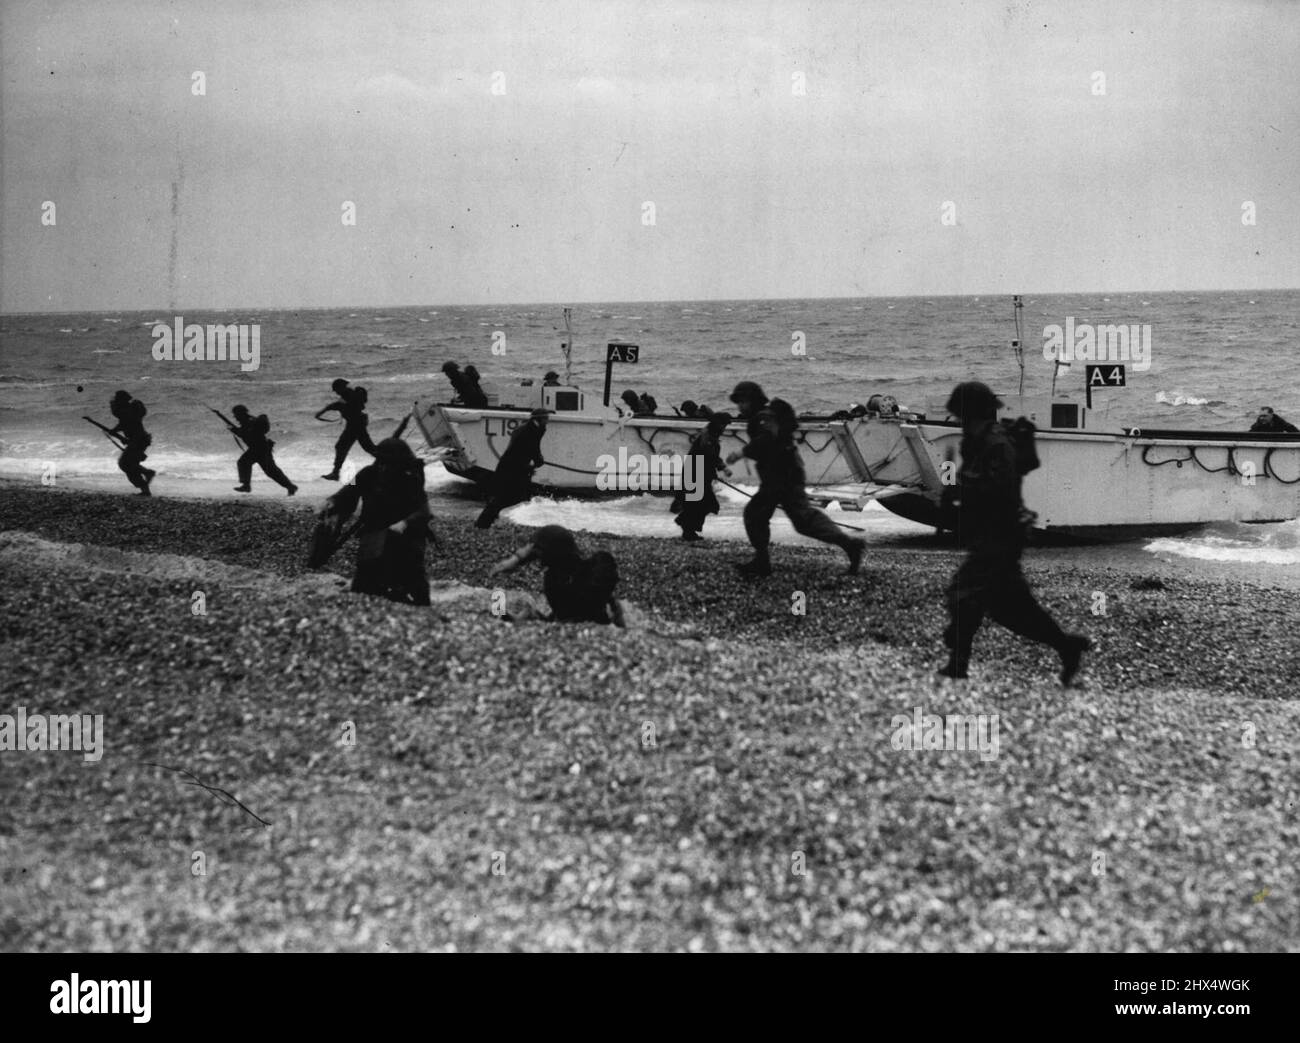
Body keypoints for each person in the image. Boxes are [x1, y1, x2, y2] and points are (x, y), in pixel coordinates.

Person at [940, 381, 1090, 685]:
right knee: (1009, 608)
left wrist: (961, 488)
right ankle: (1066, 646)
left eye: (961, 416)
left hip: (1001, 536)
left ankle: (959, 662)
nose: (958, 422)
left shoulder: (997, 445)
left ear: (972, 414)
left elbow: (1001, 490)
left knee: (964, 595)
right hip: (991, 535)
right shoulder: (977, 442)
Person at [723, 381, 865, 577]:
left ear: (753, 400)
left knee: (759, 514)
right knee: (800, 519)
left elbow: (767, 440)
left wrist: (741, 452)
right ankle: (850, 545)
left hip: (781, 475)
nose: (740, 407)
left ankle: (762, 562)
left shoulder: (764, 417)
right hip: (785, 473)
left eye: (743, 402)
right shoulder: (765, 415)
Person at [318, 437, 432, 605]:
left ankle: (414, 600)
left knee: (413, 576)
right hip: (374, 528)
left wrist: (404, 523)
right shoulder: (367, 473)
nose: (384, 466)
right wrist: (332, 501)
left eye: (388, 462)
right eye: (381, 461)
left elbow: (424, 510)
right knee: (363, 583)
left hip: (406, 532)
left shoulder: (411, 476)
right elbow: (348, 492)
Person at [489, 524, 625, 626]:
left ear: (549, 553)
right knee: (508, 603)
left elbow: (562, 620)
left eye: (538, 549)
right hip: (590, 620)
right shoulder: (585, 570)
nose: (536, 553)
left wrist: (516, 559)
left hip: (565, 624)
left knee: (498, 599)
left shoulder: (555, 579)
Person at [475, 408, 550, 528]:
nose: (548, 421)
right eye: (546, 418)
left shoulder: (531, 428)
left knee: (512, 495)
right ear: (539, 419)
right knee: (510, 496)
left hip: (513, 467)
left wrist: (536, 459)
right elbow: (529, 448)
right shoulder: (530, 430)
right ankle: (483, 523)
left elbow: (533, 447)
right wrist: (536, 461)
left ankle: (487, 520)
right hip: (513, 468)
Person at [671, 411, 732, 541]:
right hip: (696, 473)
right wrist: (723, 467)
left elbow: (710, 457)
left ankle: (687, 527)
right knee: (702, 503)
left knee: (701, 503)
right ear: (718, 424)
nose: (724, 428)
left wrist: (715, 470)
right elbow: (709, 456)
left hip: (698, 473)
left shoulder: (709, 435)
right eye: (724, 425)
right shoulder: (708, 437)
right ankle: (687, 528)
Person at [315, 379, 376, 481]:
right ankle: (390, 463)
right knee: (368, 448)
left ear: (341, 387)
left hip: (355, 425)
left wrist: (322, 411)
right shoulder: (347, 395)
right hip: (355, 425)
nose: (336, 392)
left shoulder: (349, 395)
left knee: (344, 446)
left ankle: (335, 473)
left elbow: (340, 406)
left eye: (336, 389)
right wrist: (324, 411)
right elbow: (338, 405)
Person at [105, 390, 155, 496]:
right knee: (130, 464)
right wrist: (119, 435)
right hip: (140, 440)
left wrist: (114, 431)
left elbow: (124, 424)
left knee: (125, 464)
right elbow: (127, 425)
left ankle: (147, 475)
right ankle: (145, 488)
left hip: (138, 440)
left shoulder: (126, 411)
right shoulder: (129, 409)